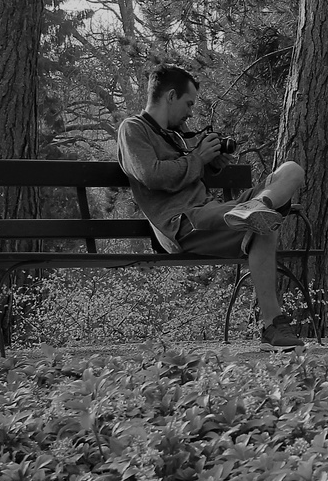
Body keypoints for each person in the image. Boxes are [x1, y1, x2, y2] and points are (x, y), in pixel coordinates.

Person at [116, 64, 308, 349]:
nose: (191, 112)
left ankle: (256, 206)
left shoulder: (178, 134)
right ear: (170, 96)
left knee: (292, 171)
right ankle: (274, 325)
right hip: (183, 222)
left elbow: (188, 173)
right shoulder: (133, 129)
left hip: (213, 211)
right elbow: (152, 175)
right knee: (263, 224)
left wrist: (213, 163)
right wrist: (198, 159)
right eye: (188, 103)